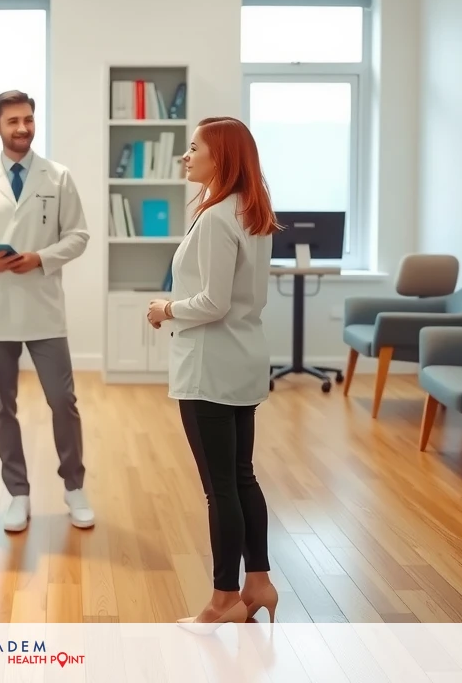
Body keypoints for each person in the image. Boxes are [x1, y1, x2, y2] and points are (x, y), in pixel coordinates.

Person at [147, 116, 280, 627]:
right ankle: (259, 582)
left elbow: (213, 301)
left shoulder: (218, 218)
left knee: (219, 487)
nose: (186, 155)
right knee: (241, 476)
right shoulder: (251, 212)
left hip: (209, 366)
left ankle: (224, 599)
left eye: (195, 148)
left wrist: (167, 309)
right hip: (242, 360)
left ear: (219, 158)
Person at [0, 90, 93, 533]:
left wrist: (41, 258)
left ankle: (74, 486)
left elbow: (79, 235)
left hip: (43, 305)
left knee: (63, 401)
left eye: (28, 120)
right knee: (2, 408)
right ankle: (18, 492)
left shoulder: (58, 177)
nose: (23, 128)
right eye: (13, 121)